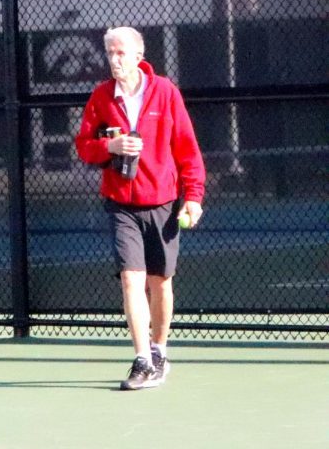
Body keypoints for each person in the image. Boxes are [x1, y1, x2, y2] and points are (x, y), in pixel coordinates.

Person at [75, 26, 205, 391]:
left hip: (163, 203)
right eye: (110, 53)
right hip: (120, 205)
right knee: (131, 279)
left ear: (137, 56)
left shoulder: (165, 93)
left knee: (159, 283)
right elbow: (84, 145)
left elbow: (187, 149)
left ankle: (160, 349)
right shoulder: (101, 97)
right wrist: (109, 148)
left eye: (121, 53)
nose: (114, 60)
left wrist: (193, 196)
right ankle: (142, 359)